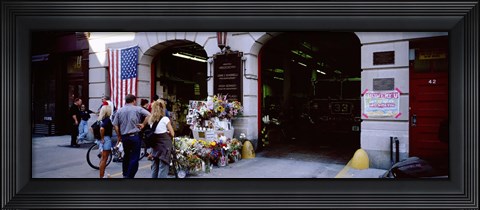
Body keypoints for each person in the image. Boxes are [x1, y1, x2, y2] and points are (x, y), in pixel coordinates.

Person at [113, 94, 151, 178]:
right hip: (135, 136)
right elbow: (149, 115)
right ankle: (129, 176)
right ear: (134, 100)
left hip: (124, 136)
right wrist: (143, 124)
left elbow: (115, 125)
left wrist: (119, 135)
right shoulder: (137, 109)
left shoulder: (119, 110)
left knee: (126, 155)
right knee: (134, 157)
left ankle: (125, 173)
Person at [149, 99, 175, 178]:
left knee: (155, 166)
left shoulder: (151, 120)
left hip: (155, 145)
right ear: (163, 108)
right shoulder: (165, 119)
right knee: (163, 167)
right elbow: (172, 133)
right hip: (164, 146)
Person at [98, 105, 113, 178]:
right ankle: (101, 176)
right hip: (106, 139)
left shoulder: (101, 119)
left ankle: (102, 175)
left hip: (104, 139)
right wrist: (103, 138)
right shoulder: (107, 120)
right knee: (104, 159)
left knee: (103, 159)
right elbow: (102, 129)